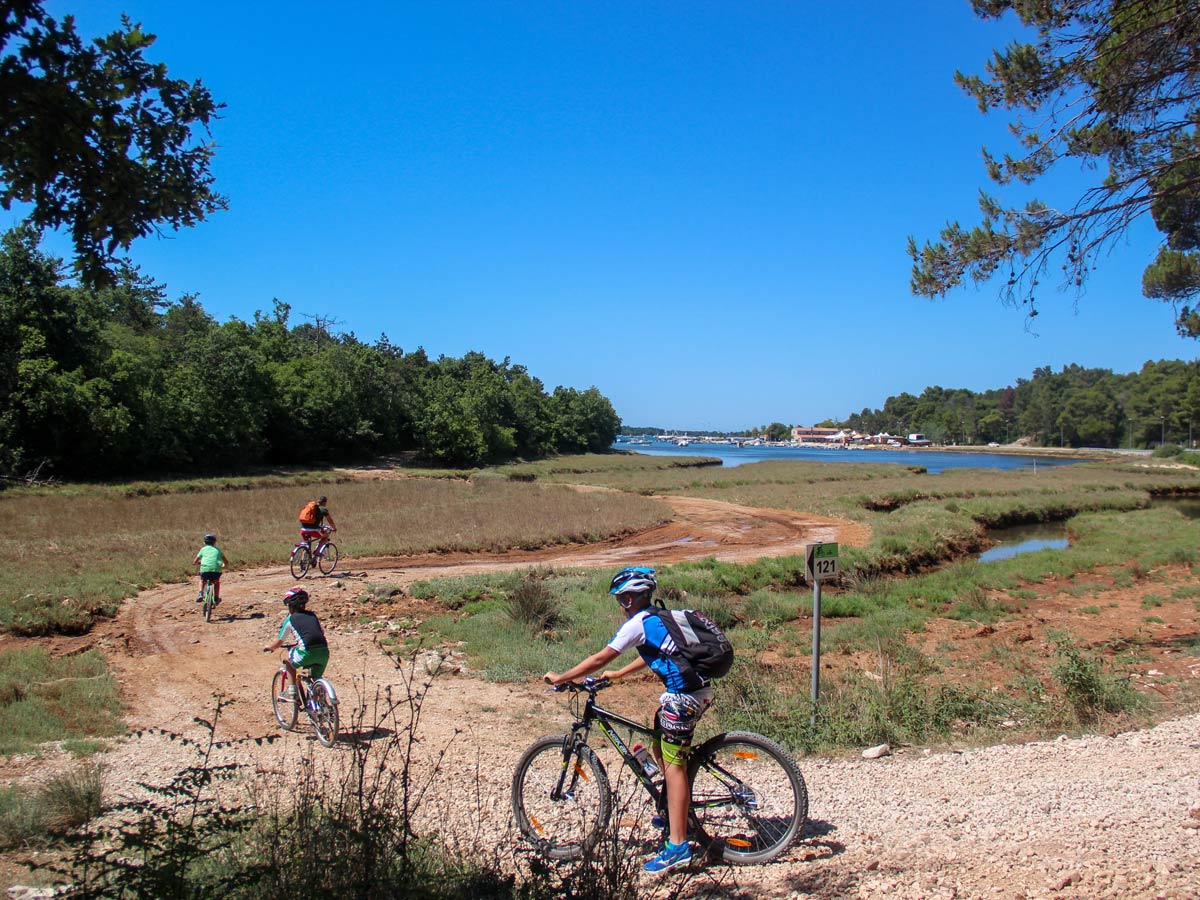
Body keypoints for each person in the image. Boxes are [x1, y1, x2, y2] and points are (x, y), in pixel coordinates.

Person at [543, 566, 713, 875]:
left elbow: (600, 657)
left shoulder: (638, 623)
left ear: (632, 598)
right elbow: (651, 654)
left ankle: (678, 846)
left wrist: (563, 676)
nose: (620, 605)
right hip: (695, 691)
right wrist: (618, 675)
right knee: (658, 734)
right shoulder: (656, 618)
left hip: (684, 697)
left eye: (621, 599)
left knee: (675, 767)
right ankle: (672, 806)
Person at [263, 587, 329, 700]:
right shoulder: (312, 616)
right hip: (324, 652)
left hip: (306, 652)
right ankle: (320, 708)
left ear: (290, 606)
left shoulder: (291, 619)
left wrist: (270, 647)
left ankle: (292, 691)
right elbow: (319, 632)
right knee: (316, 678)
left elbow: (279, 641)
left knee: (288, 662)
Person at [192, 533, 226, 606]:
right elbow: (225, 561)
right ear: (214, 542)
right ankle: (216, 597)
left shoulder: (203, 549)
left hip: (205, 570)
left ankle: (200, 593)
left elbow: (194, 561)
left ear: (204, 542)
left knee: (202, 580)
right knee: (216, 583)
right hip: (216, 571)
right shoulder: (218, 550)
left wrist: (197, 563)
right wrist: (224, 565)